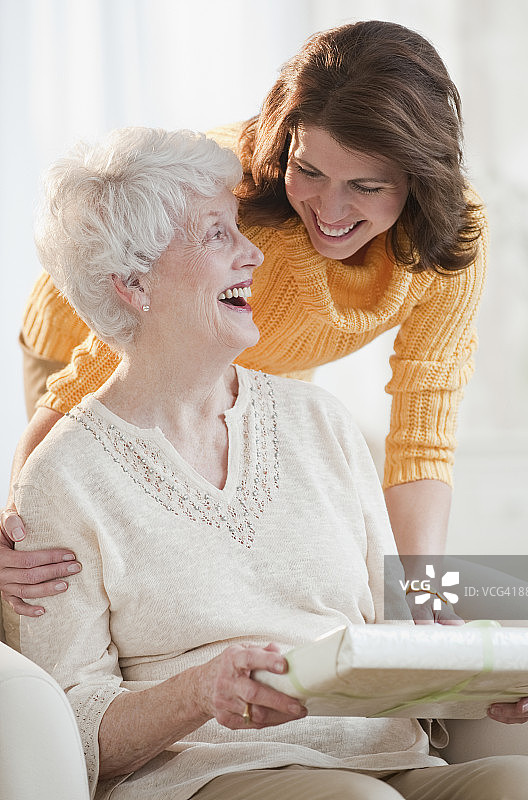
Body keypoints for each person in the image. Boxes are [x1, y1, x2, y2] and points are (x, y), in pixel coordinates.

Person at [8, 125, 528, 800]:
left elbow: (395, 616)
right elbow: (68, 725)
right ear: (133, 283)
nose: (254, 254)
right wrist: (199, 692)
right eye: (218, 234)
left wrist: (480, 676)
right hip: (212, 772)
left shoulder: (321, 422)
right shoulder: (63, 478)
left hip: (388, 760)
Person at [1, 20, 485, 616]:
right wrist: (20, 524)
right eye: (308, 171)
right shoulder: (236, 201)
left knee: (252, 554)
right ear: (286, 144)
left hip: (265, 354)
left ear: (418, 181)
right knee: (90, 534)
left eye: (365, 186)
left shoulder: (450, 245)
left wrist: (427, 603)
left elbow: (423, 434)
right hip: (103, 321)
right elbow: (106, 368)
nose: (329, 210)